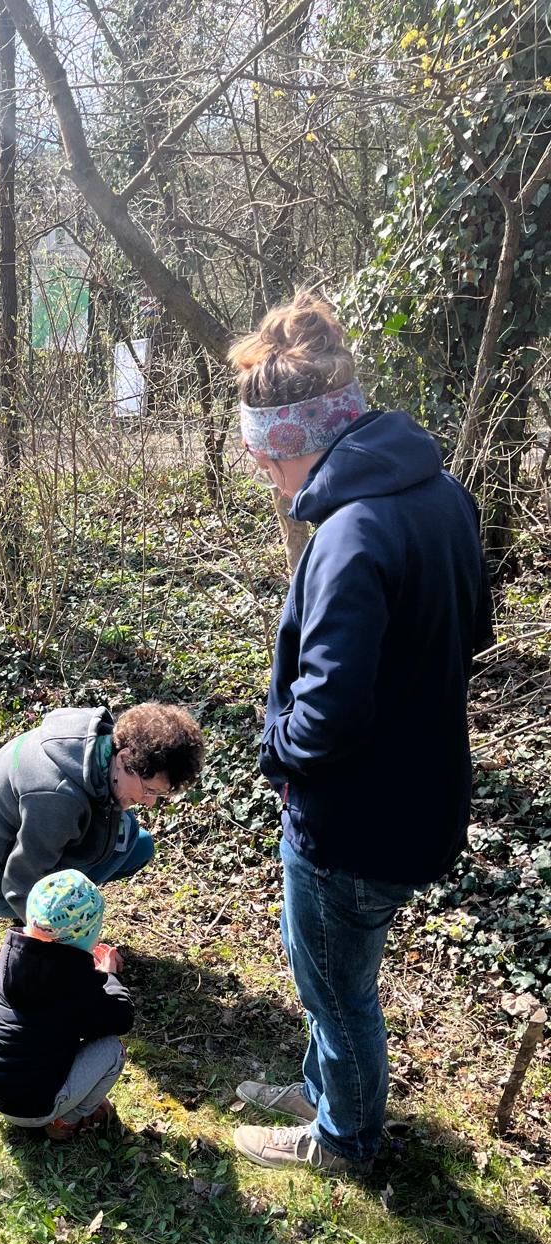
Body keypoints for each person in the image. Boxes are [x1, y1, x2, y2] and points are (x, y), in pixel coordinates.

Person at [229, 292, 491, 1175]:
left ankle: (344, 1138)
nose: (268, 479)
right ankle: (324, 1089)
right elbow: (473, 633)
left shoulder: (348, 534)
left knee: (336, 987)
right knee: (336, 973)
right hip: (421, 794)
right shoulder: (441, 494)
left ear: (292, 443)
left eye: (265, 460)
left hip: (351, 823)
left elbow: (328, 715)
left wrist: (277, 754)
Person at [0, 702, 204, 925]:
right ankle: (54, 915)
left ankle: (67, 901)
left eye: (158, 794)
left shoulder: (98, 745)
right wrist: (67, 944)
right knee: (122, 842)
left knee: (138, 843)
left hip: (21, 853)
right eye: (149, 790)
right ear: (125, 759)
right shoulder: (57, 796)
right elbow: (18, 885)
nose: (149, 802)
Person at [0, 870, 133, 1139]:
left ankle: (47, 1106)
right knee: (112, 1051)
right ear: (87, 935)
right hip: (30, 1107)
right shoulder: (74, 983)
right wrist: (108, 975)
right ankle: (66, 1121)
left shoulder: (11, 954)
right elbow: (122, 1017)